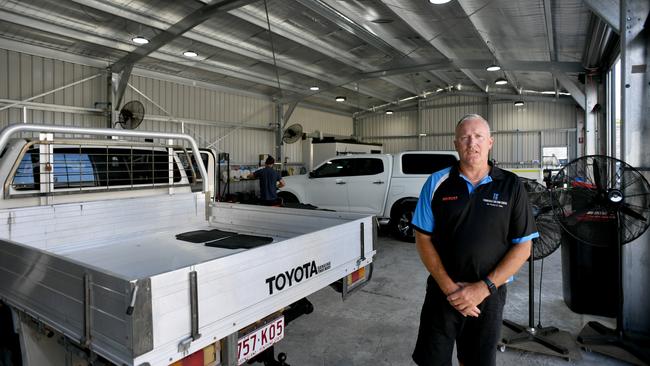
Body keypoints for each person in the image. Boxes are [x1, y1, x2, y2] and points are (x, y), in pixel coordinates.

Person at [411, 114, 538, 366]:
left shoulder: (511, 185)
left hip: (488, 296)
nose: (472, 143)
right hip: (442, 292)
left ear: (490, 142)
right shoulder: (437, 182)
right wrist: (451, 290)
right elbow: (423, 239)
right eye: (465, 137)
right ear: (455, 144)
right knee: (432, 360)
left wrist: (482, 288)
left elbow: (524, 246)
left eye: (478, 136)